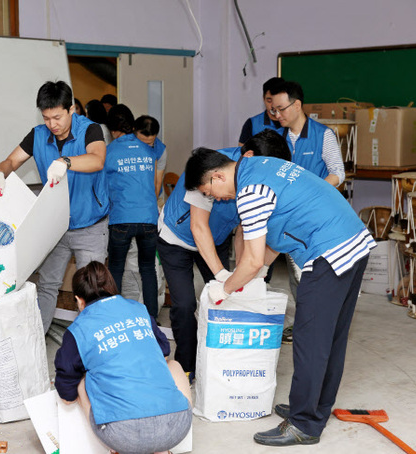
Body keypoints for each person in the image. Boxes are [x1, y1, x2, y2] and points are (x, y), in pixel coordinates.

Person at [184, 148, 375, 446]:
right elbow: (274, 238)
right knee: (331, 337)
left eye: (211, 191)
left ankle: (303, 423)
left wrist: (226, 288)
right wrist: (257, 276)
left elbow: (250, 260)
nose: (217, 198)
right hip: (352, 243)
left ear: (218, 176)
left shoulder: (250, 191)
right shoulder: (262, 165)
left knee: (310, 340)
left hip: (328, 252)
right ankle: (313, 408)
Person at [157, 129, 291, 380]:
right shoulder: (211, 168)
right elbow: (198, 227)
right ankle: (187, 366)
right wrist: (221, 274)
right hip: (177, 236)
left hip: (216, 238)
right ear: (249, 156)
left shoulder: (254, 179)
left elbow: (244, 230)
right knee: (185, 304)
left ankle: (222, 359)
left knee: (230, 295)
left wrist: (247, 273)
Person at [0, 81, 109, 333]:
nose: (52, 124)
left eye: (57, 117)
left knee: (92, 290)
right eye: (46, 118)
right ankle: (37, 339)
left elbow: (97, 160)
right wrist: (0, 173)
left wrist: (66, 161)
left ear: (71, 109)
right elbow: (11, 160)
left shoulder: (91, 130)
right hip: (55, 225)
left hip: (90, 226)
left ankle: (93, 345)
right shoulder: (38, 135)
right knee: (47, 284)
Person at [54, 261, 192, 454]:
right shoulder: (138, 309)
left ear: (79, 300)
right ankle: (161, 450)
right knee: (173, 365)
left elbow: (66, 394)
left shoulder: (78, 330)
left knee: (81, 382)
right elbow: (163, 351)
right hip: (176, 430)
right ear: (111, 288)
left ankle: (115, 449)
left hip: (123, 437)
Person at [269, 80, 347, 342]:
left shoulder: (322, 134)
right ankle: (305, 325)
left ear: (297, 104)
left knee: (319, 275)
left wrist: (311, 195)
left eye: (281, 109)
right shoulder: (278, 139)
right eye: (273, 111)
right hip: (291, 220)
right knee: (296, 275)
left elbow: (338, 172)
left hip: (318, 218)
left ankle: (323, 327)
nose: (277, 115)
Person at [104, 106, 160, 318]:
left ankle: (114, 316)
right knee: (148, 269)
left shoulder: (109, 152)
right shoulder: (148, 150)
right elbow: (153, 183)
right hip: (148, 217)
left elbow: (104, 187)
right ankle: (152, 319)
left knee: (116, 268)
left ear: (112, 129)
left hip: (121, 217)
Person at [238, 76, 285, 146]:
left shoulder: (293, 123)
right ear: (263, 98)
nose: (273, 106)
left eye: (277, 101)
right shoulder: (252, 124)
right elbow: (241, 152)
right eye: (269, 101)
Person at [134, 115, 167, 198]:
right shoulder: (124, 147)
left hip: (151, 196)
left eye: (149, 143)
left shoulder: (160, 150)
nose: (145, 147)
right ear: (134, 132)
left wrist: (152, 204)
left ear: (156, 136)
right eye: (141, 143)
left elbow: (158, 182)